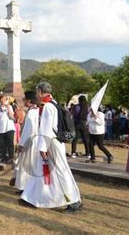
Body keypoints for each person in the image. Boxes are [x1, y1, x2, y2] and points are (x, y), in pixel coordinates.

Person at [21, 82, 82, 212]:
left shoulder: (48, 106)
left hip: (51, 143)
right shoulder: (52, 103)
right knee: (40, 170)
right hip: (52, 141)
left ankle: (73, 201)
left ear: (40, 92)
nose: (36, 94)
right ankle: (30, 197)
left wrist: (43, 147)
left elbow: (46, 128)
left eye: (37, 91)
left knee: (60, 171)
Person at [14, 91, 40, 192]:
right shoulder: (37, 111)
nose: (23, 100)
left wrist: (21, 144)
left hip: (29, 143)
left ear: (28, 101)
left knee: (25, 165)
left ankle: (24, 186)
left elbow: (28, 131)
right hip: (35, 142)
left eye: (24, 99)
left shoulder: (31, 113)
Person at [0, 95, 16, 163]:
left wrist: (8, 107)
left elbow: (11, 116)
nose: (3, 101)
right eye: (2, 99)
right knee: (2, 144)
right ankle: (2, 157)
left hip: (9, 127)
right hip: (0, 128)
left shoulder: (9, 107)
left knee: (10, 143)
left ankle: (11, 157)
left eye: (4, 99)